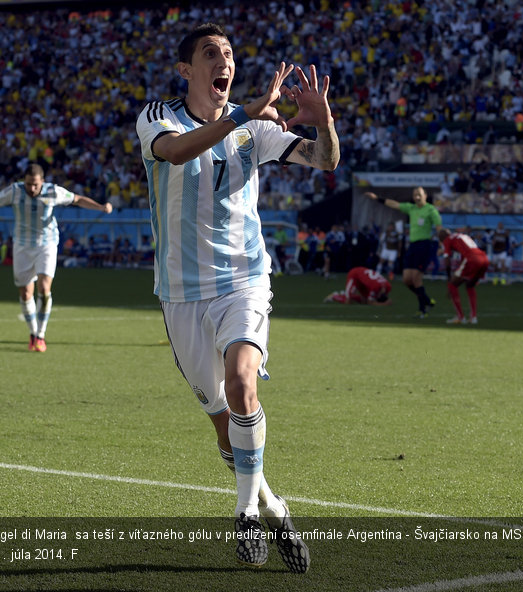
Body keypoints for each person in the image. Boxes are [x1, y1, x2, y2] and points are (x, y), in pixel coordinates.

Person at [135, 23, 339, 572]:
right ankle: (272, 504)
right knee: (226, 430)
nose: (223, 61)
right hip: (180, 294)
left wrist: (325, 123)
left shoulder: (253, 129)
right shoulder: (159, 116)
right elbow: (175, 154)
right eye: (210, 54)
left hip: (244, 280)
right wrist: (245, 114)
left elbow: (324, 161)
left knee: (242, 381)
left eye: (227, 53)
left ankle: (246, 512)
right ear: (187, 71)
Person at [0, 163, 112, 351]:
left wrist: (101, 207)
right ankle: (33, 333)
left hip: (47, 244)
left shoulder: (53, 192)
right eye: (28, 184)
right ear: (23, 182)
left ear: (42, 181)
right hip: (22, 246)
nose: (32, 188)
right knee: (26, 293)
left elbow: (77, 199)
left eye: (35, 184)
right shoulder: (15, 191)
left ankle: (41, 334)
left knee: (44, 287)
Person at [365, 187, 442, 318]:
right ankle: (427, 300)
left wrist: (442, 245)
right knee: (407, 280)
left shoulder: (431, 210)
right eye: (415, 194)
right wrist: (377, 198)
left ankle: (422, 309)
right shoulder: (411, 208)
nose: (417, 196)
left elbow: (439, 228)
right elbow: (394, 204)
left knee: (416, 279)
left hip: (424, 245)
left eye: (419, 194)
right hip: (412, 246)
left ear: (425, 195)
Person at [437, 228, 489, 324]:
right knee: (470, 286)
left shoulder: (447, 240)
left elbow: (447, 260)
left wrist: (449, 278)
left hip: (472, 259)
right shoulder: (461, 236)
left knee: (452, 285)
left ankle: (461, 317)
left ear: (441, 239)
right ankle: (473, 318)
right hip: (484, 258)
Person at [323, 266, 392, 304]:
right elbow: (370, 302)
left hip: (363, 280)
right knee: (348, 301)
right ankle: (335, 296)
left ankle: (346, 293)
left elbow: (370, 300)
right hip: (355, 275)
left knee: (364, 301)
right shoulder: (375, 286)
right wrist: (384, 304)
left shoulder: (387, 286)